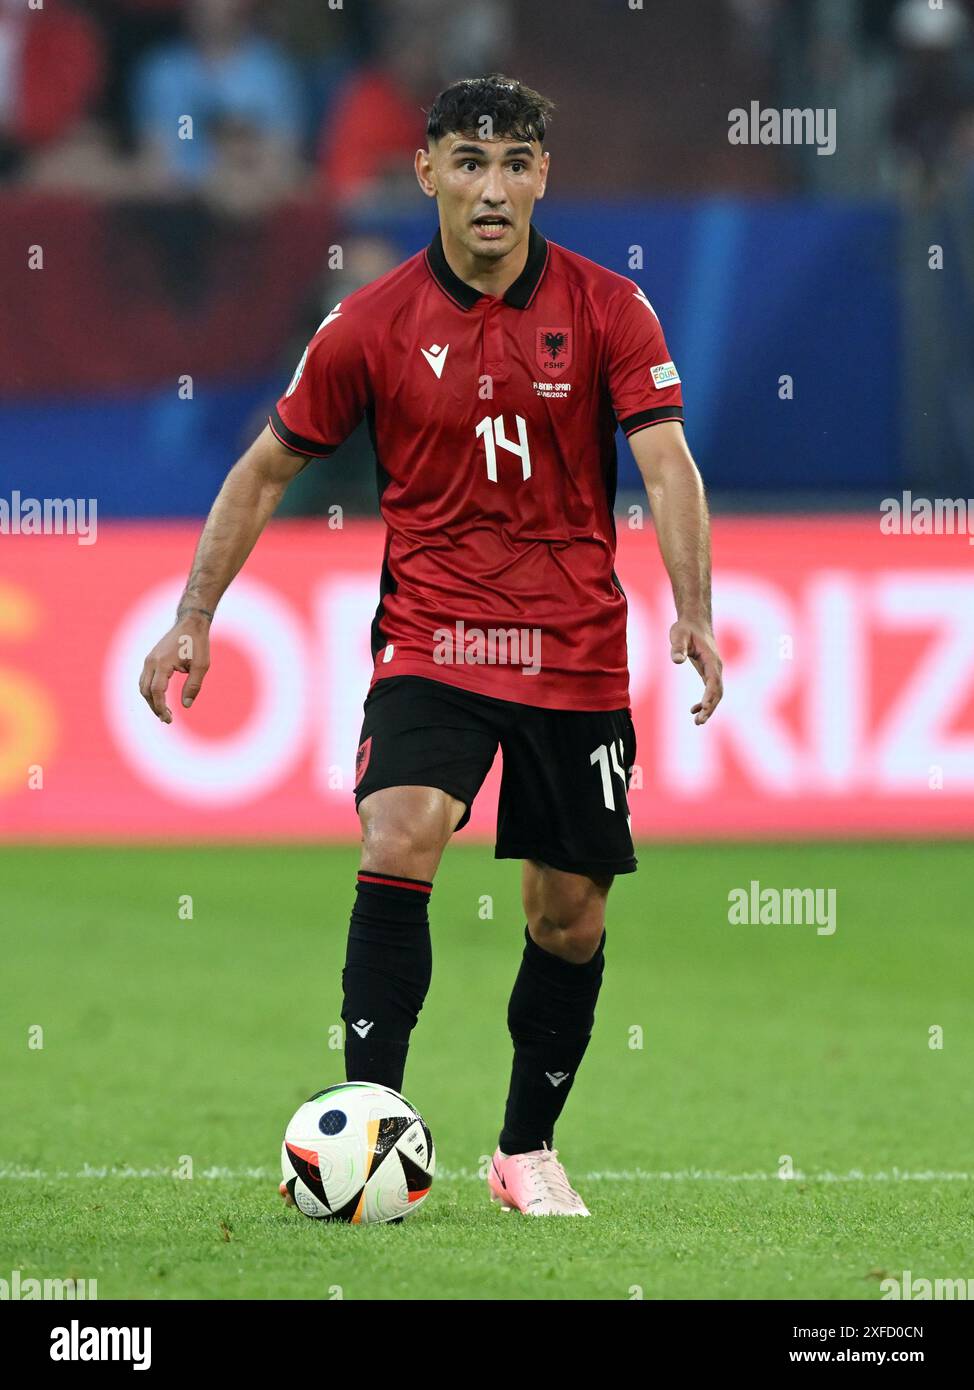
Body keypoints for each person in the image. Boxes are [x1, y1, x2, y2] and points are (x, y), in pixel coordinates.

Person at [139, 73, 723, 1218]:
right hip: (435, 637)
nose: (492, 188)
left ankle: (525, 1149)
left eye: (513, 164)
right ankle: (367, 1123)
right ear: (428, 174)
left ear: (542, 176)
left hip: (575, 650)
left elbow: (665, 463)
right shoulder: (369, 323)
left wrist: (692, 605)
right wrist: (194, 612)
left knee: (570, 913)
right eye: (468, 162)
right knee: (399, 829)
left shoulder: (611, 310)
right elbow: (266, 468)